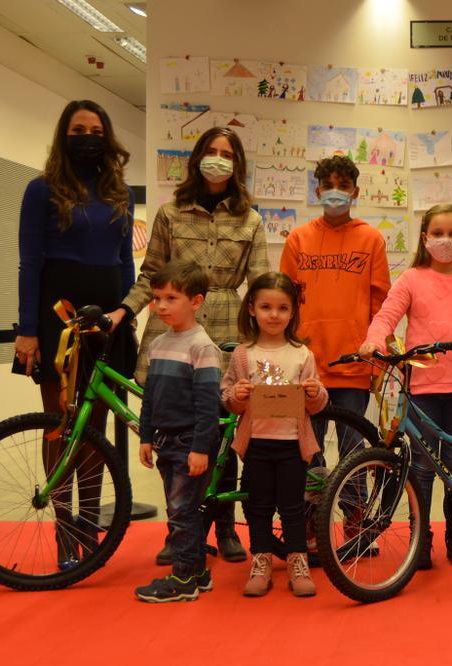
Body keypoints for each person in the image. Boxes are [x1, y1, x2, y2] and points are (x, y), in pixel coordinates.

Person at [108, 126, 268, 564]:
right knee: (173, 435)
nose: (218, 159)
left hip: (224, 330)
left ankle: (225, 528)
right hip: (170, 334)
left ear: (237, 164)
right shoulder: (170, 213)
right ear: (198, 157)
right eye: (211, 151)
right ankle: (181, 533)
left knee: (223, 432)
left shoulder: (250, 219)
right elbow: (151, 276)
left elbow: (258, 283)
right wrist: (124, 310)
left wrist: (273, 337)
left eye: (227, 153)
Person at [15, 100, 135, 570]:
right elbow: (30, 263)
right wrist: (28, 330)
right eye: (77, 128)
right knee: (60, 423)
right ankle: (64, 525)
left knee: (99, 425)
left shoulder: (118, 190)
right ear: (63, 135)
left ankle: (91, 521)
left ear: (106, 137)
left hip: (107, 315)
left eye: (95, 129)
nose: (87, 135)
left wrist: (127, 313)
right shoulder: (41, 189)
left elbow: (125, 259)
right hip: (58, 314)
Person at [360, 204, 452, 569]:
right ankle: (420, 539)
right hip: (421, 387)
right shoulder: (411, 279)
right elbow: (387, 316)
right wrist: (375, 339)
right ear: (425, 237)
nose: (445, 240)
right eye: (437, 233)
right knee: (421, 467)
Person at [280, 155, 390, 475]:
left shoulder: (371, 238)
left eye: (343, 186)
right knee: (305, 452)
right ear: (317, 191)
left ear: (355, 191)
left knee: (352, 451)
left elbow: (380, 304)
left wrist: (378, 362)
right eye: (328, 185)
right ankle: (311, 520)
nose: (335, 192)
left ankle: (355, 519)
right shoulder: (298, 238)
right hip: (305, 364)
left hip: (353, 363)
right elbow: (283, 300)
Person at [221, 273, 328, 598]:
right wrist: (236, 394)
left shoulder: (302, 354)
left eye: (282, 308)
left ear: (293, 312)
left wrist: (314, 392)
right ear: (251, 308)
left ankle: (298, 561)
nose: (273, 314)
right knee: (258, 505)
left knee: (293, 506)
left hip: (293, 446)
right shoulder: (242, 354)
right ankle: (262, 560)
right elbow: (227, 396)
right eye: (266, 306)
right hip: (256, 445)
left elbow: (319, 403)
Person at [134, 260, 222, 602]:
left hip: (190, 444)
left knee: (181, 513)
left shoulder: (202, 347)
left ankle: (183, 578)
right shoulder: (158, 345)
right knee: (181, 511)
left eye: (171, 298)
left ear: (196, 302)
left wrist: (200, 448)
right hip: (165, 442)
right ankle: (198, 572)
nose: (161, 306)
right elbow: (149, 399)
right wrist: (144, 436)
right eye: (157, 298)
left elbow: (207, 406)